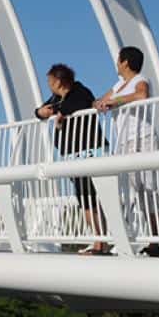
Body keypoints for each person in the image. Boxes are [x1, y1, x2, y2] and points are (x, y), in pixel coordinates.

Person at [94, 46, 159, 257]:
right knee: (139, 192)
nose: (116, 64)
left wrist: (116, 102)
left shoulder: (141, 79)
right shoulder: (119, 84)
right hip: (125, 142)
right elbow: (101, 101)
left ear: (126, 62)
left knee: (149, 188)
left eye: (118, 60)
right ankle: (154, 240)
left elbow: (141, 95)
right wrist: (100, 103)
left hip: (144, 138)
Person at [36, 64, 108, 254]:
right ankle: (98, 239)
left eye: (50, 81)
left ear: (58, 81)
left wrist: (60, 112)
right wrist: (41, 112)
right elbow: (42, 110)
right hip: (72, 154)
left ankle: (102, 241)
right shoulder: (56, 98)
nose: (49, 85)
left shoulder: (80, 91)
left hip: (89, 151)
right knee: (84, 197)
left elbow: (78, 104)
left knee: (92, 195)